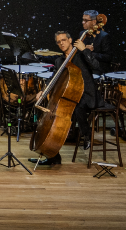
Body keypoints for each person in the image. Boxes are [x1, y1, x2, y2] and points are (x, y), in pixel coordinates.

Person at [29, 30, 99, 166]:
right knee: (50, 110)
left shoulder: (81, 55)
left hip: (86, 95)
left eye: (64, 40)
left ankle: (86, 135)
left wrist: (84, 50)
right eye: (58, 42)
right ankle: (52, 155)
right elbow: (54, 78)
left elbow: (96, 66)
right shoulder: (59, 60)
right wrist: (43, 91)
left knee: (78, 107)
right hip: (70, 95)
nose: (61, 43)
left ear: (70, 40)